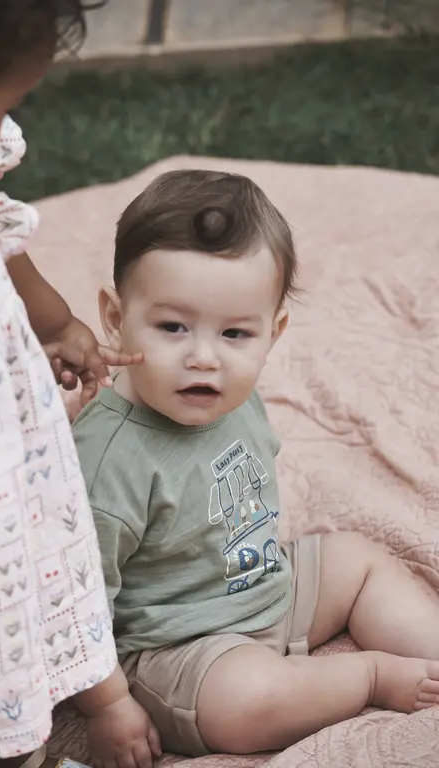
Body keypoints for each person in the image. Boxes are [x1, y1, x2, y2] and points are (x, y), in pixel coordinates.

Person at [73, 169, 439, 758]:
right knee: (244, 702)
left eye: (236, 334)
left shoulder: (231, 395)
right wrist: (109, 704)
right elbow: (74, 600)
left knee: (361, 560)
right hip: (178, 648)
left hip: (265, 585)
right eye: (172, 327)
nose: (203, 358)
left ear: (274, 332)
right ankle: (369, 677)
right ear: (115, 319)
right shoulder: (107, 463)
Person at [0, 3, 161, 768]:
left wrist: (56, 322)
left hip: (0, 455)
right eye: (1, 104)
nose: (6, 126)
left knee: (31, 560)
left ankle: (53, 692)